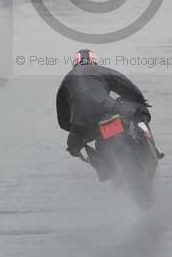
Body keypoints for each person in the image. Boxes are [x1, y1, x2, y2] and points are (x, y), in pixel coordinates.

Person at [55, 49, 162, 180]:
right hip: (109, 108)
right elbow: (130, 88)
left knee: (73, 147)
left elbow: (63, 121)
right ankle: (150, 144)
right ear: (93, 62)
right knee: (138, 109)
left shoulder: (65, 81)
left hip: (85, 123)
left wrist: (76, 129)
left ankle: (102, 167)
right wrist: (140, 102)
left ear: (74, 64)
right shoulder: (101, 70)